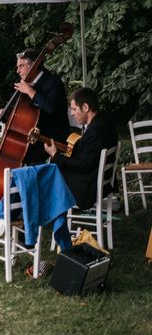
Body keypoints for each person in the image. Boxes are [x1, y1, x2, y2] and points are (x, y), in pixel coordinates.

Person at [44, 87, 118, 250]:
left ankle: (56, 229)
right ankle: (58, 225)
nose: (72, 114)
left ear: (85, 107)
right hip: (98, 181)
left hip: (88, 187)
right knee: (55, 175)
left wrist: (56, 156)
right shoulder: (103, 123)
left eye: (74, 109)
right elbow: (87, 157)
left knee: (51, 178)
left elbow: (84, 165)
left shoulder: (96, 131)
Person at [9, 48, 70, 164]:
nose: (17, 71)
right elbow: (23, 115)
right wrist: (5, 114)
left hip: (52, 138)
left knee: (24, 155)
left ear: (33, 66)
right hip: (36, 137)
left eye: (21, 66)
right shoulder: (28, 84)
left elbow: (50, 108)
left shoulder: (52, 82)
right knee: (15, 152)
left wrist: (31, 92)